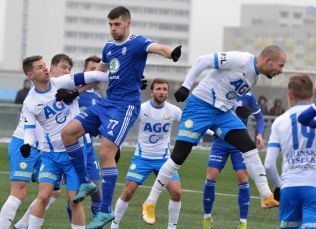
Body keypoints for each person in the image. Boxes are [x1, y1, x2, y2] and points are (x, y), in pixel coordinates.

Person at [58, 6, 181, 228]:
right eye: (110, 24)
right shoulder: (108, 48)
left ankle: (105, 211)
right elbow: (99, 76)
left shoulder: (137, 42)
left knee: (106, 151)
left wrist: (171, 52)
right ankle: (85, 182)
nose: (113, 29)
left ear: (127, 24)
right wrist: (76, 91)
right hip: (107, 103)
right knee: (67, 133)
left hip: (125, 107)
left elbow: (158, 48)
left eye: (117, 24)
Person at [142, 45, 286, 225]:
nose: (281, 71)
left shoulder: (254, 77)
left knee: (248, 146)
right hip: (199, 107)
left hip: (222, 113)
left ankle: (266, 195)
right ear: (268, 61)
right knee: (178, 157)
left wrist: (235, 107)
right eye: (280, 65)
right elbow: (203, 60)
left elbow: (226, 92)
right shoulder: (240, 59)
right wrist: (186, 86)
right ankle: (150, 201)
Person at [18, 55, 109, 228]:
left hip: (75, 152)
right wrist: (27, 145)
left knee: (74, 200)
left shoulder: (62, 82)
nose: (44, 68)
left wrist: (125, 78)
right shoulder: (29, 102)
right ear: (30, 75)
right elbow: (29, 132)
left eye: (44, 65)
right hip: (51, 155)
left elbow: (96, 76)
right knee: (43, 196)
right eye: (39, 67)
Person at [110, 78, 182, 229]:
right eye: (159, 89)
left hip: (164, 160)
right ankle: (114, 225)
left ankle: (172, 227)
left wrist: (214, 132)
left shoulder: (174, 111)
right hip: (142, 158)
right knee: (128, 191)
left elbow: (192, 124)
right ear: (151, 92)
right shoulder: (141, 109)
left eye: (164, 89)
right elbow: (124, 125)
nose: (162, 92)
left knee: (176, 193)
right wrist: (117, 146)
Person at [13, 53, 74, 229]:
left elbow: (88, 81)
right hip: (36, 147)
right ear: (53, 67)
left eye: (69, 68)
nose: (67, 71)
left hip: (54, 149)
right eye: (63, 67)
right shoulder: (34, 97)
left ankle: (21, 225)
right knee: (23, 191)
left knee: (53, 192)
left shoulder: (62, 86)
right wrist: (30, 144)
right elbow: (31, 127)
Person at [203, 92, 265, 229]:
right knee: (211, 175)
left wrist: (260, 134)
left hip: (239, 143)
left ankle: (243, 223)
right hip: (220, 142)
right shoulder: (219, 91)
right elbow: (207, 114)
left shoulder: (248, 96)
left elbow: (259, 117)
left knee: (242, 178)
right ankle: (207, 218)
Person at [264, 74, 316, 229]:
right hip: (313, 185)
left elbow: (269, 165)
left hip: (289, 186)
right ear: (312, 94)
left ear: (290, 94)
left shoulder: (280, 121)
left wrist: (280, 185)